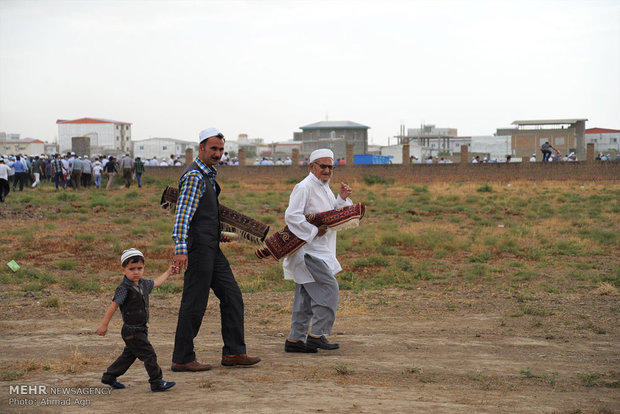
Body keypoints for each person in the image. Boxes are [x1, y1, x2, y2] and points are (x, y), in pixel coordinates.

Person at [171, 127, 261, 371]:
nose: (218, 153)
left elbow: (202, 215)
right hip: (198, 249)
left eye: (221, 149)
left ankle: (234, 353)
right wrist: (180, 248)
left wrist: (219, 233)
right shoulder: (194, 177)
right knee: (194, 302)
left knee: (232, 296)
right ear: (201, 148)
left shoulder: (208, 175)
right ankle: (182, 358)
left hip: (211, 247)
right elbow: (182, 216)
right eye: (213, 149)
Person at [283, 148, 353, 353]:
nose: (327, 170)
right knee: (329, 289)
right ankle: (317, 334)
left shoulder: (324, 187)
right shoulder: (304, 187)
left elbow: (330, 213)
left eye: (330, 167)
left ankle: (295, 340)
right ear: (312, 166)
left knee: (305, 296)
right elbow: (292, 216)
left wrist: (340, 199)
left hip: (321, 249)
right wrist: (314, 231)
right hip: (308, 251)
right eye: (323, 166)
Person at [97, 248, 177, 392]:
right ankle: (156, 382)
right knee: (149, 354)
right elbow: (113, 306)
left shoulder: (143, 284)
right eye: (131, 269)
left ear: (143, 268)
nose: (136, 272)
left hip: (141, 328)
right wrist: (104, 325)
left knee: (129, 356)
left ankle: (109, 376)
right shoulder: (124, 289)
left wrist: (168, 273)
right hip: (132, 330)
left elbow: (156, 282)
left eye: (139, 268)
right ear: (123, 270)